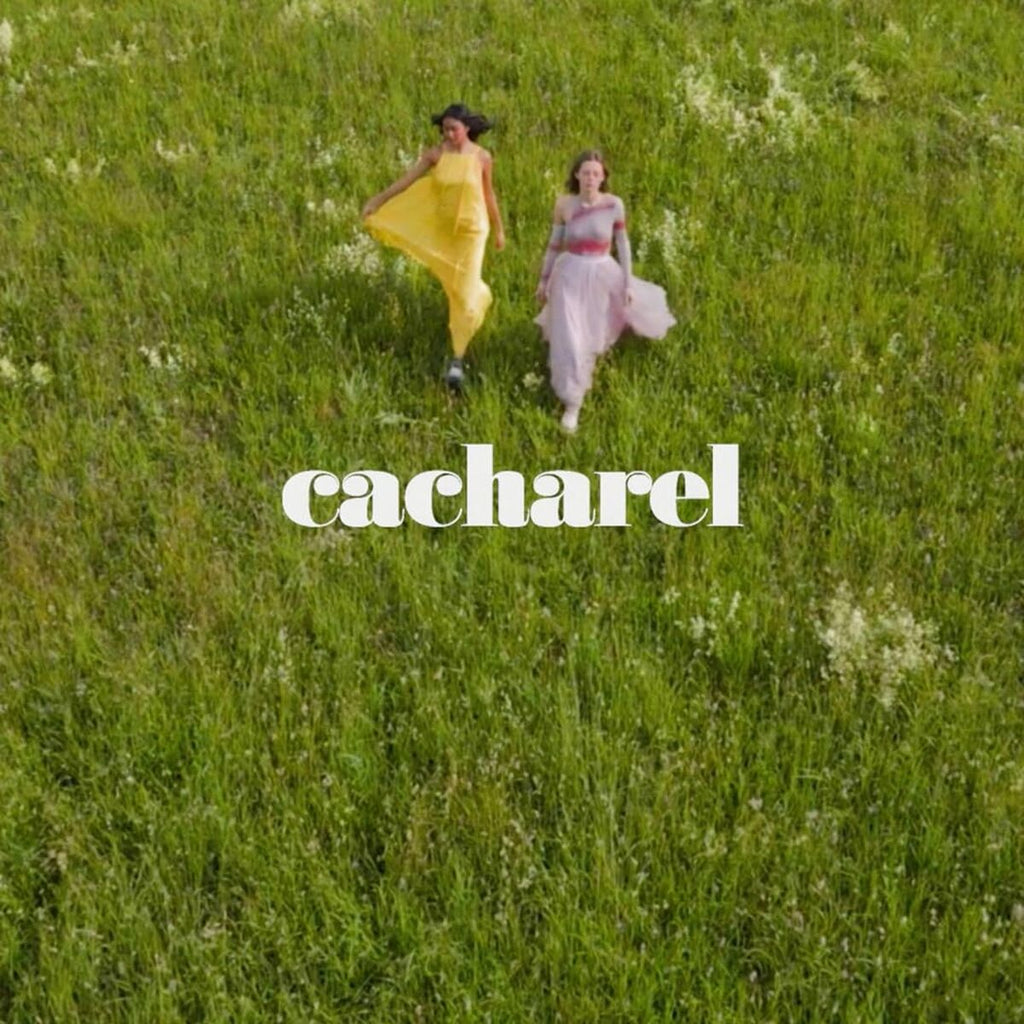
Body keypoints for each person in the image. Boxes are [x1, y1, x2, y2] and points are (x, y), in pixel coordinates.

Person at [362, 104, 505, 390]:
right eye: (445, 129)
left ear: (467, 128)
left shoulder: (481, 157)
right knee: (454, 287)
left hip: (473, 231)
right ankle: (478, 298)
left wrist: (499, 229)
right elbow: (406, 182)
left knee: (463, 293)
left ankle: (457, 358)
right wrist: (377, 201)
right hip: (444, 231)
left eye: (454, 129)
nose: (448, 134)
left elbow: (488, 195)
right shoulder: (435, 155)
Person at [535, 150, 675, 432]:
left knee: (594, 332)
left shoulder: (613, 205)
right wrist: (543, 280)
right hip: (569, 275)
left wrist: (628, 282)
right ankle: (572, 402)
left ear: (602, 178)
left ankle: (605, 350)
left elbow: (622, 244)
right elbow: (554, 245)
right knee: (571, 338)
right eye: (586, 173)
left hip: (602, 273)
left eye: (596, 174)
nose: (590, 178)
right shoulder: (564, 205)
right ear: (577, 175)